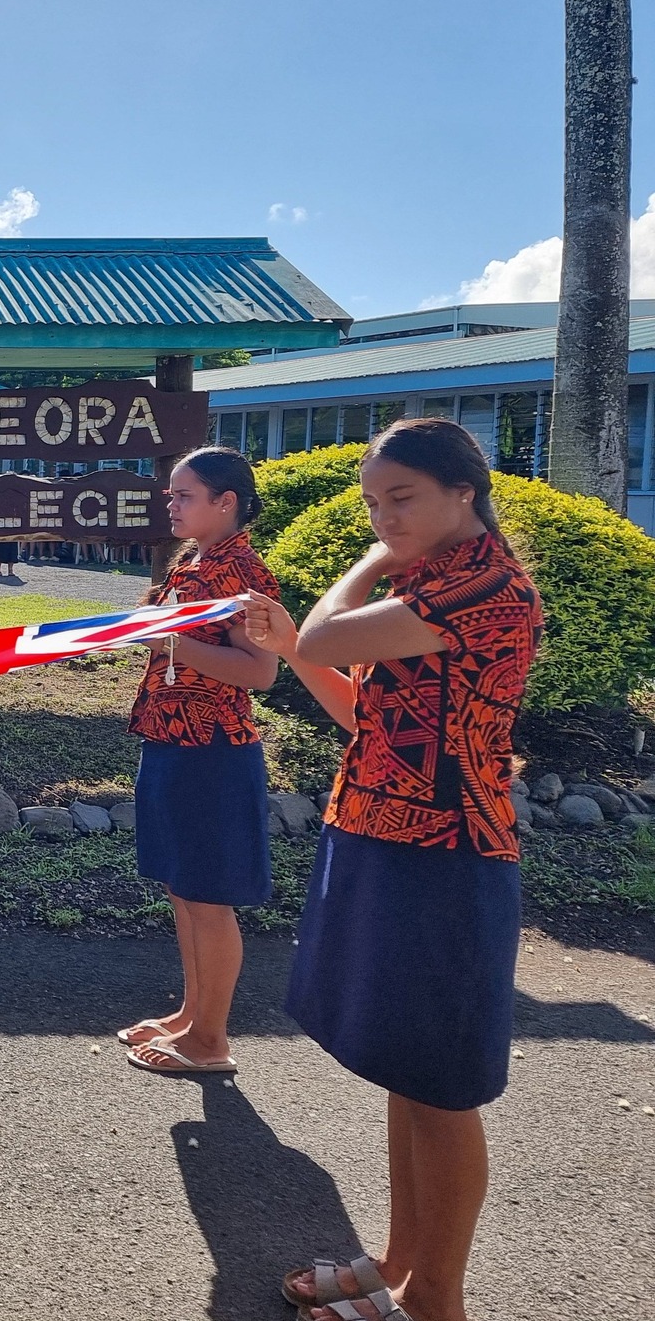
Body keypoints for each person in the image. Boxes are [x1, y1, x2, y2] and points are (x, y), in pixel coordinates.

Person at [243, 418, 540, 1321]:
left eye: (399, 498)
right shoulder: (436, 581)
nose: (383, 519)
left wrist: (360, 568)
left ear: (465, 489)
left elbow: (329, 641)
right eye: (373, 503)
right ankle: (399, 1266)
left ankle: (435, 1297)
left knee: (441, 1087)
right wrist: (303, 639)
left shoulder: (481, 586)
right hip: (385, 835)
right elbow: (364, 715)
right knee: (409, 1071)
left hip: (447, 854)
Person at [120, 446, 281, 1076]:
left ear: (226, 503)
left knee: (208, 897)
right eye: (171, 494)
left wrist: (169, 638)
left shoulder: (244, 576)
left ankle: (210, 1042)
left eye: (185, 495)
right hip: (172, 740)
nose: (172, 503)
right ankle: (192, 1018)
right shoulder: (198, 562)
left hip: (213, 749)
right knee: (183, 889)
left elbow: (260, 671)